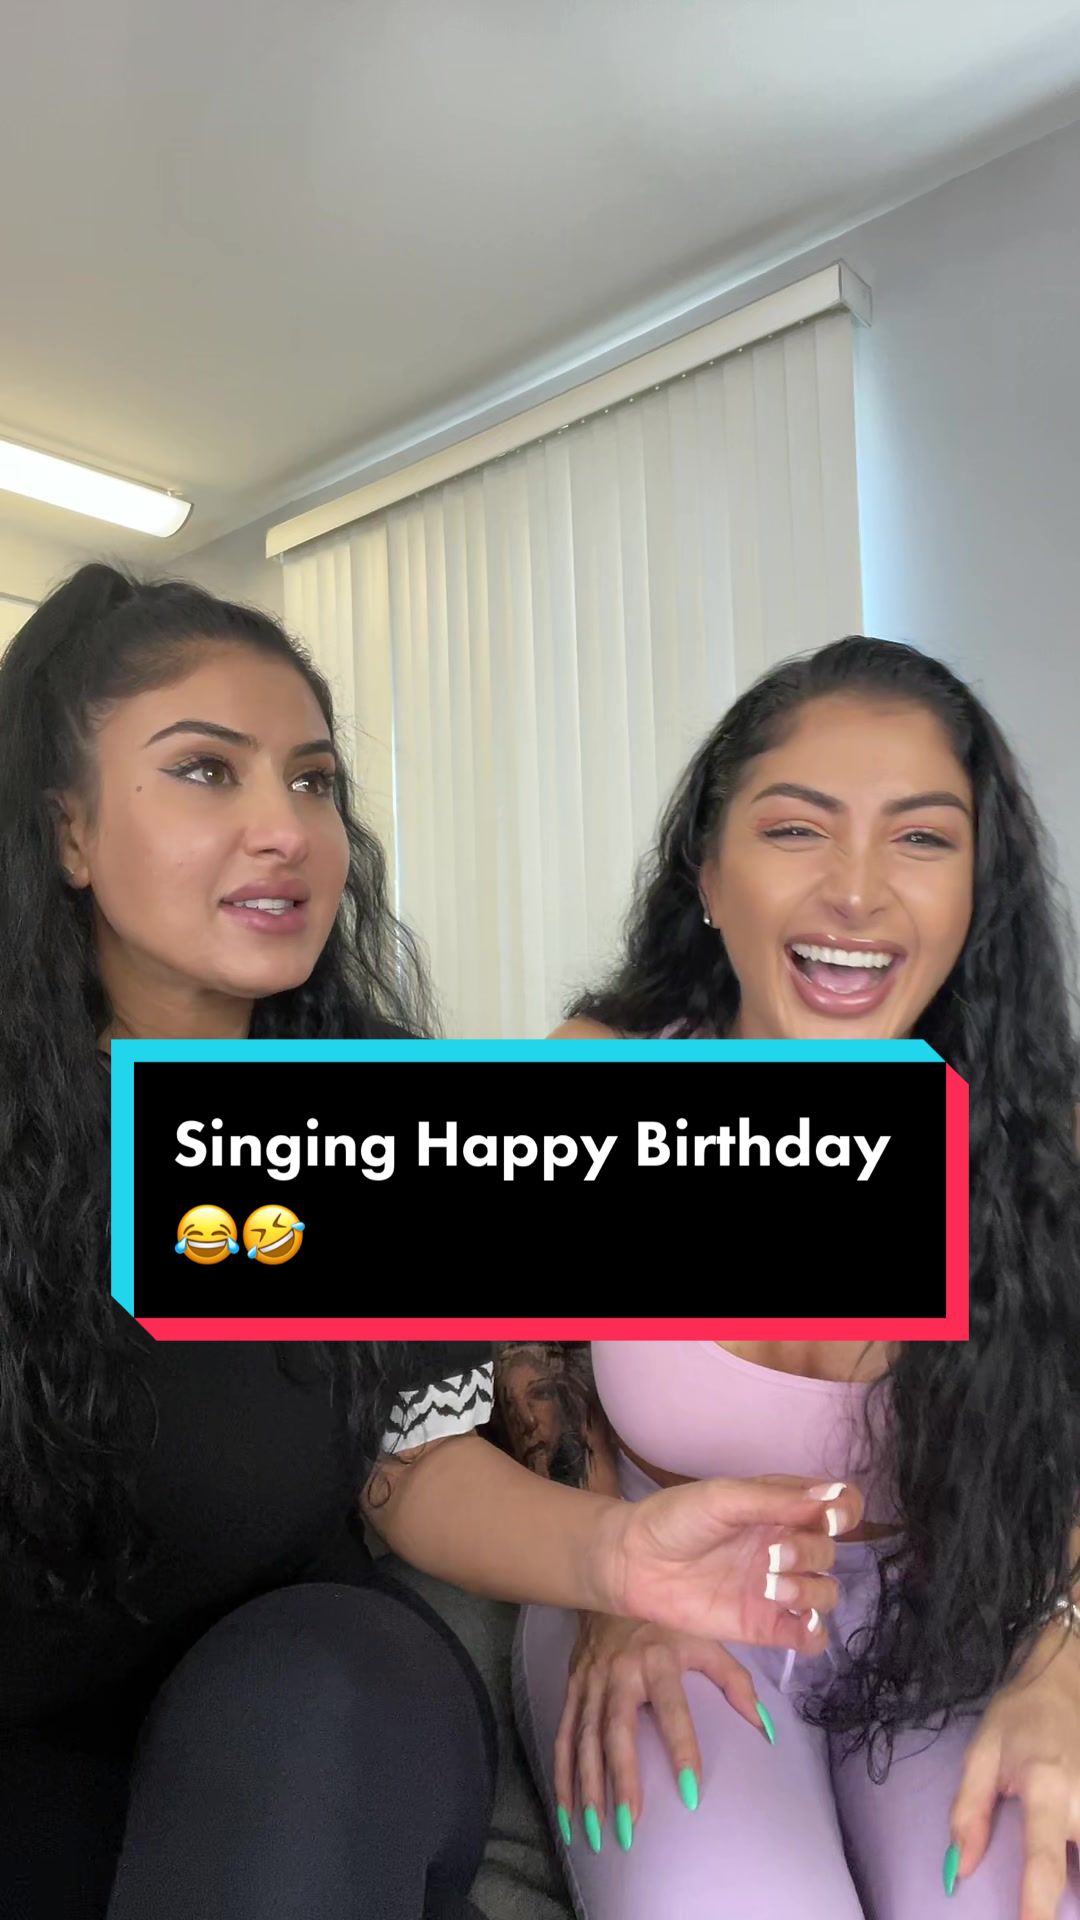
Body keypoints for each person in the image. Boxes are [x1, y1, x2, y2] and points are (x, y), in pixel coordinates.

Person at [0, 565, 855, 1920]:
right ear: (69, 834)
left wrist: (617, 1554)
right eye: (207, 772)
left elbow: (410, 1462)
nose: (286, 829)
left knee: (312, 1691)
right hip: (42, 1752)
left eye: (314, 782)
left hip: (303, 1715)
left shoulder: (373, 1120)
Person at [512, 637, 1080, 1920]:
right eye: (796, 830)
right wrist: (610, 1584)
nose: (858, 892)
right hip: (676, 1604)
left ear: (978, 889)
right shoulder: (596, 1078)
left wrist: (1063, 1658)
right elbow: (530, 1366)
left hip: (954, 1610)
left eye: (922, 839)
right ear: (710, 873)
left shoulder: (1038, 1139)